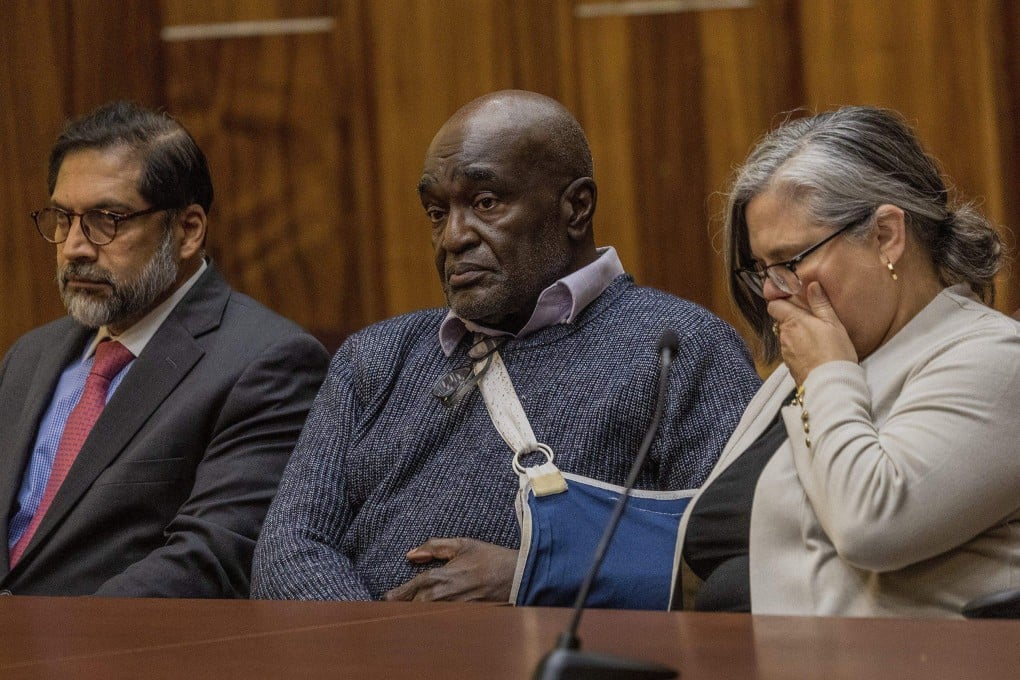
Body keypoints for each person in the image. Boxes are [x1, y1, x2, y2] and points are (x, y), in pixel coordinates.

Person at [252, 90, 761, 603]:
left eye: (485, 203)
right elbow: (287, 548)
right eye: (436, 212)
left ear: (576, 208)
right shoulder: (375, 358)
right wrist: (376, 640)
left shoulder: (682, 349)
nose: (453, 238)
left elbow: (736, 563)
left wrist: (535, 579)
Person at [673, 105, 1020, 616]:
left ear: (886, 235)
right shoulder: (819, 358)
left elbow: (872, 526)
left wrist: (826, 375)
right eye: (762, 268)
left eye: (790, 261)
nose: (771, 292)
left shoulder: (996, 361)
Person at [0, 101, 330, 597]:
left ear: (188, 230)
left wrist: (35, 633)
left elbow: (212, 558)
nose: (74, 247)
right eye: (63, 218)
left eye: (107, 219)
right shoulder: (29, 357)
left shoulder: (268, 364)